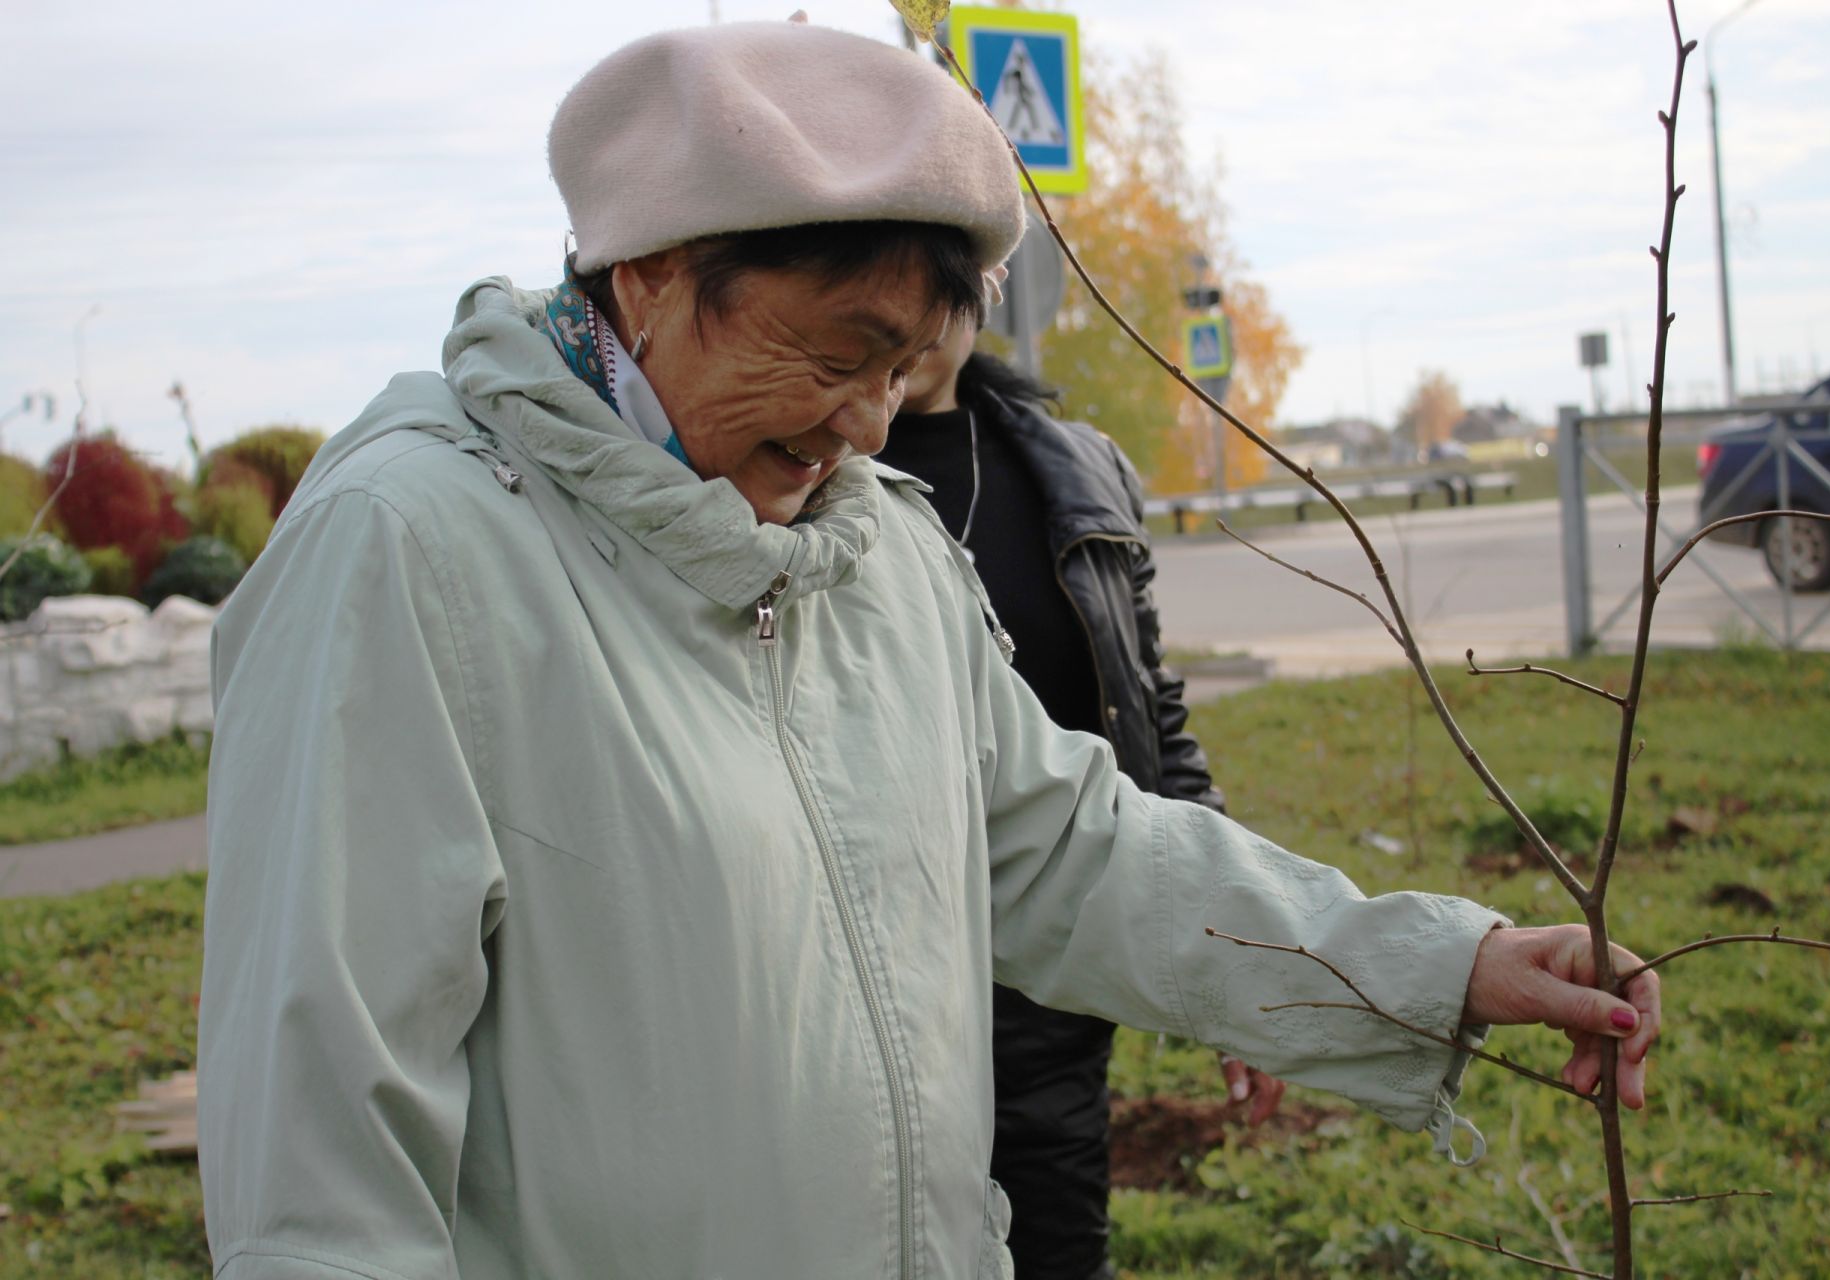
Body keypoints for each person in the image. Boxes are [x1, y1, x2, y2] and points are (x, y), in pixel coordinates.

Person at [198, 20, 1662, 1280]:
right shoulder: (410, 552)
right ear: (647, 276)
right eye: (838, 353)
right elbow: (323, 1151)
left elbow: (1075, 853)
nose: (867, 423)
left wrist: (1433, 968)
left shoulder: (874, 545)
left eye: (903, 372)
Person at [877, 317, 1281, 1279]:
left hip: (1049, 971)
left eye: (958, 269)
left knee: (1058, 1249)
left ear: (992, 280)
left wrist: (1239, 964)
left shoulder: (1079, 469)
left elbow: (1151, 721)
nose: (927, 313)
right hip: (875, 961)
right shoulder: (804, 461)